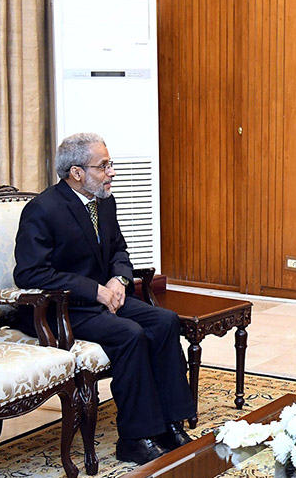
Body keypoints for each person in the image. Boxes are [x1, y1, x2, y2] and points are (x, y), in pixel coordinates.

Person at [14, 132, 195, 465]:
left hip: (103, 298)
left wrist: (118, 278)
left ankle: (171, 423)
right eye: (104, 165)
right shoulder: (42, 209)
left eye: (110, 164)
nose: (111, 172)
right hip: (61, 308)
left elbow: (119, 250)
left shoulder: (104, 202)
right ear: (77, 172)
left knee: (166, 320)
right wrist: (93, 289)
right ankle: (135, 437)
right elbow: (29, 274)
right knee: (130, 335)